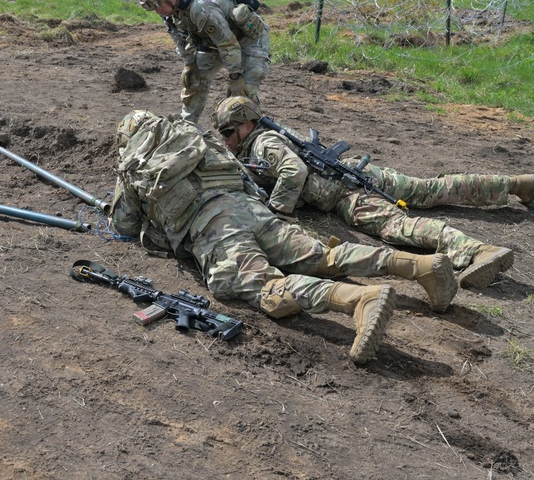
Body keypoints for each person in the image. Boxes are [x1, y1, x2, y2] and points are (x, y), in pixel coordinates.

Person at [107, 109, 460, 365]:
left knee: (262, 288)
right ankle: (421, 266)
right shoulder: (193, 135)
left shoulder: (133, 162)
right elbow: (241, 173)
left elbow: (123, 225)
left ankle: (359, 300)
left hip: (212, 227)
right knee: (321, 256)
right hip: (253, 209)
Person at [211, 96, 534, 289]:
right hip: (357, 169)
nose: (225, 139)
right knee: (428, 189)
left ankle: (477, 251)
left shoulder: (264, 142)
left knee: (397, 227)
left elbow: (293, 171)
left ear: (247, 126)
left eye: (228, 132)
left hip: (348, 192)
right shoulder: (268, 137)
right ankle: (514, 184)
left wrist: (278, 212)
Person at [134, 0, 270, 124]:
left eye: (158, 4)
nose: (157, 11)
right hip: (214, 42)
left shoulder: (201, 8)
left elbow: (228, 44)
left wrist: (236, 77)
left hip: (249, 40)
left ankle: (255, 133)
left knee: (241, 98)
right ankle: (187, 125)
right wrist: (190, 64)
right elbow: (181, 41)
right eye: (152, 7)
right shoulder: (170, 14)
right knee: (194, 80)